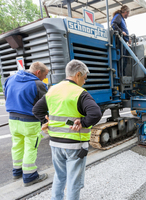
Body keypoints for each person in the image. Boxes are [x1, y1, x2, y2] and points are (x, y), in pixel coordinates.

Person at [33, 59, 102, 200]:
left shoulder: (53, 90)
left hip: (55, 144)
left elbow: (36, 109)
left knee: (59, 177)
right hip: (75, 145)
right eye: (84, 78)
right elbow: (96, 113)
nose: (84, 82)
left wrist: (45, 121)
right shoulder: (80, 93)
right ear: (78, 74)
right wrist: (82, 122)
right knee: (74, 182)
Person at [4, 61, 49, 186]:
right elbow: (45, 104)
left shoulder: (10, 79)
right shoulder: (38, 84)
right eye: (45, 75)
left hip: (12, 119)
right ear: (38, 72)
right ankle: (30, 176)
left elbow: (6, 96)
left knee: (17, 145)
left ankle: (17, 171)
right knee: (31, 147)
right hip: (30, 121)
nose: (45, 78)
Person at [111, 5, 130, 76]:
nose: (128, 15)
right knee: (122, 59)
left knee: (124, 59)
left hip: (124, 41)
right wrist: (121, 32)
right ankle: (120, 75)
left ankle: (122, 74)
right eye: (128, 13)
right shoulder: (118, 16)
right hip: (120, 41)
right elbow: (113, 24)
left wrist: (128, 39)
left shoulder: (122, 18)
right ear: (126, 12)